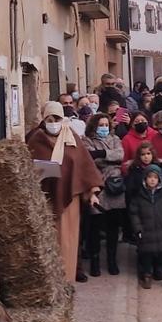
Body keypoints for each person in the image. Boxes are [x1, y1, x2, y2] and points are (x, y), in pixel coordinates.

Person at [26, 101, 102, 282]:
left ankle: (66, 279)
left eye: (57, 118)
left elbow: (84, 165)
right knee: (46, 239)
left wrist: (92, 192)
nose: (53, 122)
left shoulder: (72, 138)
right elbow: (26, 165)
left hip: (70, 198)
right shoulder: (35, 139)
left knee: (67, 240)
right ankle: (48, 281)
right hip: (44, 198)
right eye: (49, 119)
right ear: (44, 119)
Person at [81, 113, 125, 276]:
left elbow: (120, 155)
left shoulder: (115, 139)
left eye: (107, 124)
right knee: (95, 227)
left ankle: (112, 260)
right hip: (97, 186)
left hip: (114, 186)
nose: (104, 128)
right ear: (94, 126)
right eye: (101, 125)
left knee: (113, 226)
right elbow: (89, 159)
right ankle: (95, 261)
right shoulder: (86, 140)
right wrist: (109, 157)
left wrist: (101, 154)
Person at [129, 164, 162, 290]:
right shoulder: (139, 196)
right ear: (145, 179)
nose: (152, 180)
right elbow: (134, 214)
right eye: (149, 177)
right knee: (147, 257)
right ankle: (147, 276)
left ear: (159, 179)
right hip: (146, 232)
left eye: (155, 177)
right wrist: (138, 228)